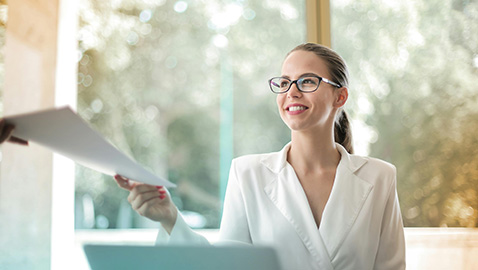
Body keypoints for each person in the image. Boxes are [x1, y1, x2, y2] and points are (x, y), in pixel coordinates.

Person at [115, 43, 406, 270]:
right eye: (284, 82)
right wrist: (170, 219)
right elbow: (226, 266)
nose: (292, 92)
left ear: (339, 97)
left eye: (307, 82)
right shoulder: (247, 174)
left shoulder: (379, 177)